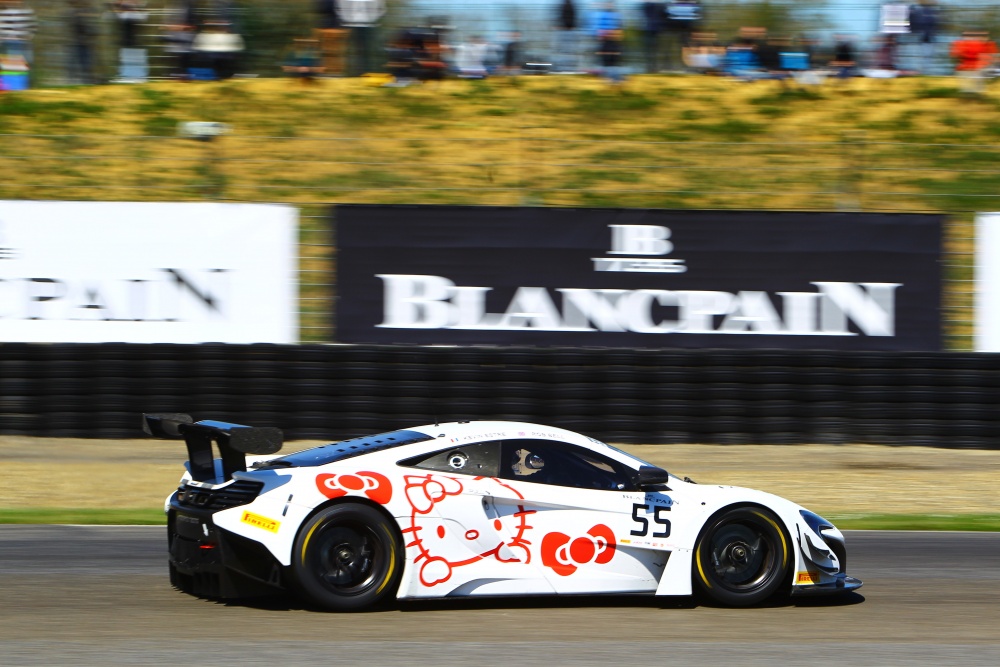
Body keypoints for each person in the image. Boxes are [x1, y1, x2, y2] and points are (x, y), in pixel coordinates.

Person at [336, 0, 386, 76]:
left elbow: (382, 9)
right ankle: (352, 73)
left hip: (367, 25)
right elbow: (338, 8)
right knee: (352, 50)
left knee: (365, 50)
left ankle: (365, 72)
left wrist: (372, 19)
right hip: (351, 25)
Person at [0, 0, 35, 86]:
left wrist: (27, 37)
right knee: (9, 66)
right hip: (7, 43)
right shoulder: (2, 12)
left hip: (21, 43)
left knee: (23, 65)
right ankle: (10, 85)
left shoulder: (27, 11)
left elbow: (33, 27)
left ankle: (21, 85)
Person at [112, 1, 149, 82]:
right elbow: (145, 16)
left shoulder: (126, 15)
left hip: (129, 40)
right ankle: (133, 75)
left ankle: (130, 75)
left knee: (128, 57)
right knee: (129, 57)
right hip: (132, 40)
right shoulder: (132, 15)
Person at [67, 0, 98, 85]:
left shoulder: (83, 12)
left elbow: (89, 27)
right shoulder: (74, 13)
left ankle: (86, 80)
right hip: (79, 42)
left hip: (83, 42)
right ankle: (75, 80)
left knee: (85, 63)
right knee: (79, 63)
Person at [314, 0, 346, 76]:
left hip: (331, 26)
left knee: (330, 51)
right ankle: (330, 71)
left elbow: (321, 8)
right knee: (331, 52)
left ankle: (331, 71)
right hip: (332, 26)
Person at [553, 0, 579, 72]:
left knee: (568, 49)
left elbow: (574, 16)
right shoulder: (563, 4)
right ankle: (562, 67)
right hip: (564, 29)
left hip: (569, 30)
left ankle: (568, 67)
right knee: (564, 49)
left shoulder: (571, 4)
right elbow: (558, 15)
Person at [640, 1, 664, 74]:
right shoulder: (647, 6)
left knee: (655, 50)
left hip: (656, 30)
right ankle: (650, 68)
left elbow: (662, 15)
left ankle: (654, 68)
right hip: (649, 29)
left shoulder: (658, 6)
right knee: (649, 51)